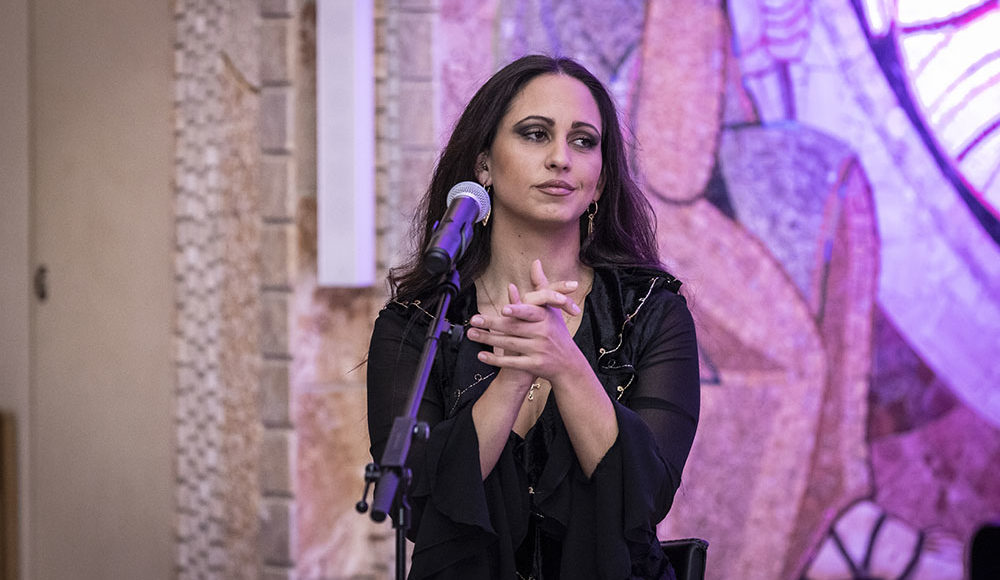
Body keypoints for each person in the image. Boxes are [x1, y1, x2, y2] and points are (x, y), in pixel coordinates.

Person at [366, 54, 700, 579]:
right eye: (536, 134)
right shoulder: (416, 322)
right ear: (483, 166)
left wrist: (565, 364)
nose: (561, 158)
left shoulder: (651, 311)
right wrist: (515, 374)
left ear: (601, 180)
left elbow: (646, 498)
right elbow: (419, 506)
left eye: (583, 141)